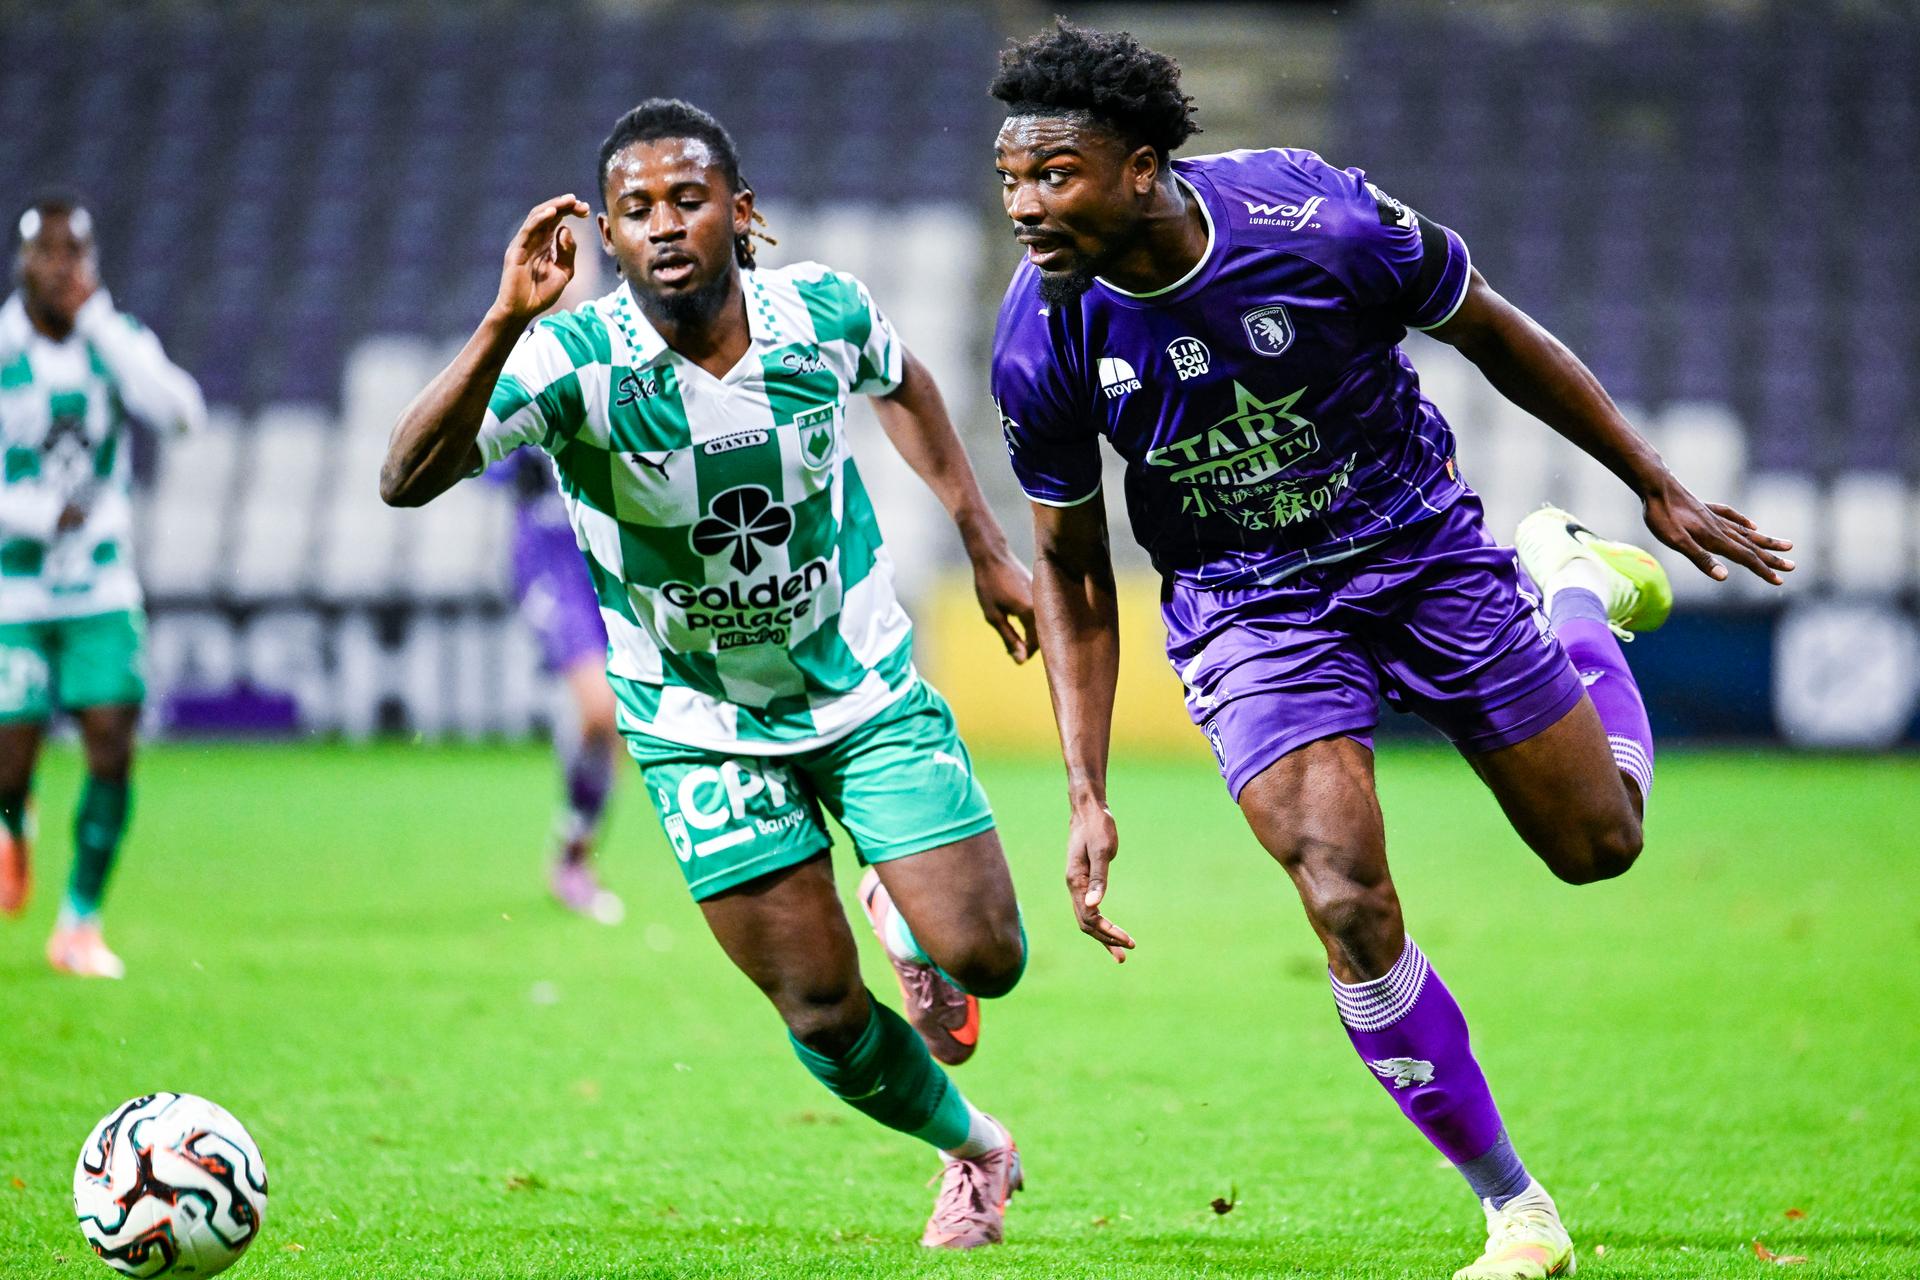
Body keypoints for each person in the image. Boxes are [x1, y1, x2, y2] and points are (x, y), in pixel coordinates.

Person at [987, 22, 1793, 1280]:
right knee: (1342, 888)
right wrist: (1086, 790)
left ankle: (1571, 588)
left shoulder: (1315, 215)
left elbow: (1495, 331)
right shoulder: (1042, 339)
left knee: (1600, 846)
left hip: (1420, 550)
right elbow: (1078, 574)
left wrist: (1653, 483)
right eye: (1011, 181)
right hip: (1253, 610)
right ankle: (1515, 1208)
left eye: (1055, 175)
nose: (1026, 207)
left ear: (1141, 168)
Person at [382, 100, 1036, 1248]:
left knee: (990, 955)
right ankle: (973, 1148)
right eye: (636, 210)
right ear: (610, 237)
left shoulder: (821, 310)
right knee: (824, 1011)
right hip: (695, 719)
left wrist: (983, 541)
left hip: (861, 680)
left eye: (689, 200)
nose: (665, 226)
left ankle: (898, 900)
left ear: (742, 214)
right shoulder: (570, 362)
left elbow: (908, 383)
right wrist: (499, 321)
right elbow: (405, 477)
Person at [0, 192, 207, 977]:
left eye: (77, 253)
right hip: (12, 592)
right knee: (9, 767)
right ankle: (12, 824)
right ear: (24, 263)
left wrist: (107, 332)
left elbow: (182, 414)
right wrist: (32, 514)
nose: (65, 268)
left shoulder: (113, 343)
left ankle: (79, 923)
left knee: (112, 748)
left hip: (99, 586)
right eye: (50, 253)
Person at [482, 234, 626, 923]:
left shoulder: (616, 348)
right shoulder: (519, 359)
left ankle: (575, 850)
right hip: (548, 553)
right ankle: (572, 854)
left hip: (610, 550)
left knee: (613, 722)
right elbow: (488, 465)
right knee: (598, 708)